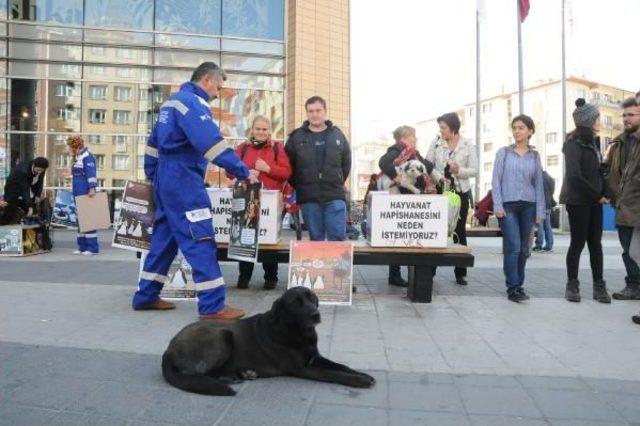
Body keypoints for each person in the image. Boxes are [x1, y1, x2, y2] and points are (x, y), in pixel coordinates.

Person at [131, 62, 253, 321]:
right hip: (183, 179)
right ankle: (212, 306)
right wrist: (242, 170)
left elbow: (153, 146)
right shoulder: (192, 104)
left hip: (167, 177)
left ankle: (146, 295)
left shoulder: (171, 103)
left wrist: (155, 176)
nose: (218, 93)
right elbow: (211, 144)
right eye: (219, 87)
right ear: (207, 80)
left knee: (164, 238)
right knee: (200, 238)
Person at [559, 98, 612, 303]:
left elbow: (598, 173)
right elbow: (574, 176)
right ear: (589, 120)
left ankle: (599, 286)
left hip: (594, 201)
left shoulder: (593, 143)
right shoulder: (572, 143)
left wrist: (605, 191)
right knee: (578, 243)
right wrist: (597, 195)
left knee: (595, 245)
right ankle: (572, 284)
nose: (600, 121)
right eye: (597, 117)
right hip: (578, 200)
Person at [231, 116, 291, 290]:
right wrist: (244, 172)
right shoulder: (242, 148)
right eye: (258, 129)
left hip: (269, 203)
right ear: (252, 130)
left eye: (265, 129)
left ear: (269, 131)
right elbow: (229, 169)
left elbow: (287, 173)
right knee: (245, 238)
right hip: (247, 198)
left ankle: (271, 278)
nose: (261, 132)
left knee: (268, 240)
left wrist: (268, 169)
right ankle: (244, 277)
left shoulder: (277, 148)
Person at [492, 114, 545, 303]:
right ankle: (512, 288)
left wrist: (540, 211)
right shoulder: (503, 153)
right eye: (514, 127)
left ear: (530, 131)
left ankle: (519, 286)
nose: (517, 131)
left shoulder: (535, 155)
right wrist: (497, 204)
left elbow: (539, 184)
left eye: (521, 127)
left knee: (524, 249)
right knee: (512, 247)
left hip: (529, 206)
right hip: (508, 206)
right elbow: (496, 181)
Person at [285, 96, 351, 242]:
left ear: (325, 111)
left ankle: (336, 266)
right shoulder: (296, 137)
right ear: (307, 113)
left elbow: (346, 163)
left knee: (337, 238)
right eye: (310, 111)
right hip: (309, 198)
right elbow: (289, 166)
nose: (314, 114)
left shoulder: (337, 134)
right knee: (316, 240)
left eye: (318, 110)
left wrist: (337, 180)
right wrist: (301, 185)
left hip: (334, 194)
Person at [426, 112, 478, 285]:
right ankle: (430, 271)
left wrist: (459, 170)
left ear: (453, 129)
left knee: (459, 230)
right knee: (436, 229)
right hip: (441, 190)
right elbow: (428, 165)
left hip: (460, 192)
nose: (441, 131)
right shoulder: (436, 143)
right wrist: (437, 178)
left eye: (444, 128)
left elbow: (475, 170)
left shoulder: (467, 144)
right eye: (440, 127)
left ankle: (460, 272)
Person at [379, 125, 434, 287]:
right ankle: (394, 275)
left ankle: (404, 274)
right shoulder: (397, 150)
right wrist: (395, 176)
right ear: (404, 137)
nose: (415, 139)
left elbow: (426, 166)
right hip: (400, 199)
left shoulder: (413, 153)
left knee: (407, 237)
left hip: (409, 198)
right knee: (399, 237)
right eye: (413, 137)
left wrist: (435, 175)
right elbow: (383, 162)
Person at [606, 97, 640, 301]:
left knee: (635, 250)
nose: (626, 119)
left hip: (636, 204)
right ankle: (634, 285)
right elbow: (613, 171)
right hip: (622, 205)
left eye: (631, 115)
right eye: (624, 115)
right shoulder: (619, 141)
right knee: (628, 250)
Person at [66, 136, 100, 255]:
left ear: (75, 147)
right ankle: (82, 246)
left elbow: (91, 173)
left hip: (85, 189)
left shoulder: (87, 156)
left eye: (70, 147)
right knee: (80, 219)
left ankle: (92, 248)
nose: (69, 149)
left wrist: (92, 188)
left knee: (88, 219)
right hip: (77, 189)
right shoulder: (78, 157)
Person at [532, 170, 556, 252]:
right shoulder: (549, 177)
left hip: (539, 204)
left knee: (540, 226)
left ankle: (539, 245)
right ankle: (549, 246)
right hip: (548, 204)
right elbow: (552, 191)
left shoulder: (537, 178)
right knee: (547, 226)